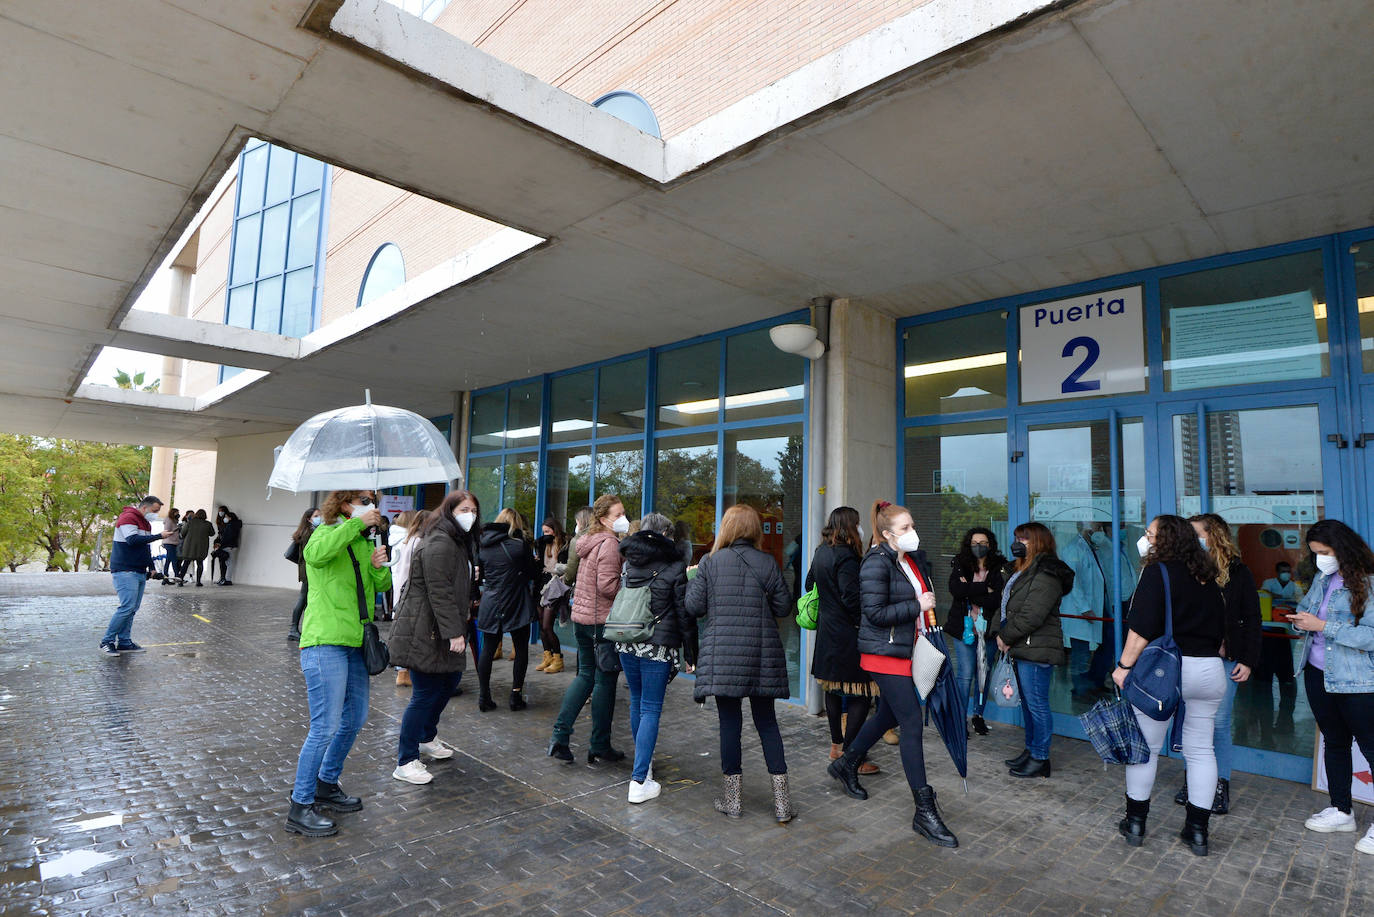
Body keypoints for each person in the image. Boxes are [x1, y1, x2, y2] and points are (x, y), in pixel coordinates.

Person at [828, 501, 958, 847]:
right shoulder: (875, 562)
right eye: (904, 528)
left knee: (887, 714)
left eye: (912, 526)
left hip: (906, 650)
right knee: (912, 722)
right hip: (884, 654)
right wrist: (918, 605)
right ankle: (924, 809)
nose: (912, 532)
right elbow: (874, 612)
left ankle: (847, 762)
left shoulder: (908, 560)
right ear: (886, 534)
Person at [1112, 514, 1228, 856]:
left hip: (1168, 670)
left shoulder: (1157, 572)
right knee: (1201, 750)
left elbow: (1140, 629)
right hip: (1209, 671)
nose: (1145, 539)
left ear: (1167, 540)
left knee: (1145, 749)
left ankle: (1135, 823)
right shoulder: (1207, 576)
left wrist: (1123, 667)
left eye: (1150, 534)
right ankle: (1197, 832)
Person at [287, 490, 391, 838]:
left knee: (356, 717)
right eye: (364, 500)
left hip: (356, 641)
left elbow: (378, 588)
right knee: (325, 726)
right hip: (324, 641)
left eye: (372, 500)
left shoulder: (362, 543)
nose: (371, 505)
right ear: (345, 504)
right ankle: (300, 806)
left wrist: (378, 566)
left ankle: (326, 784)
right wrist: (355, 525)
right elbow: (314, 557)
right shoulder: (324, 532)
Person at [687, 504, 795, 823]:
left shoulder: (710, 562)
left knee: (729, 723)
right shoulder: (767, 562)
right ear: (754, 530)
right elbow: (784, 606)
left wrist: (696, 579)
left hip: (723, 654)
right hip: (761, 653)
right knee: (767, 723)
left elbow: (693, 606)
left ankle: (733, 802)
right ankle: (782, 805)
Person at [1288, 519, 1374, 855]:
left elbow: (1370, 636)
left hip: (1357, 680)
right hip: (1317, 672)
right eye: (1316, 554)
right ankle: (1342, 810)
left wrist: (1324, 625)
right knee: (1334, 742)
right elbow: (1310, 612)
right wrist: (1301, 620)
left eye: (1324, 552)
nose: (1320, 559)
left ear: (1343, 548)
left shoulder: (1368, 582)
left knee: (1370, 747)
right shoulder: (1324, 579)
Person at [388, 492, 478, 786]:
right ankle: (406, 759)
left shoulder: (454, 541)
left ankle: (427, 736)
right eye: (464, 509)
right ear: (449, 511)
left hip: (440, 625)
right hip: (426, 629)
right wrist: (454, 632)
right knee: (425, 693)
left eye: (474, 509)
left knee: (449, 681)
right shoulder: (440, 542)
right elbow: (438, 591)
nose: (471, 514)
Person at [1173, 514, 1260, 814]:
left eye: (1196, 534)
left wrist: (1248, 659)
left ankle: (1219, 784)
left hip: (1226, 659)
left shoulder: (1238, 571)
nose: (1192, 540)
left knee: (1219, 724)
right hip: (1190, 656)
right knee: (1191, 724)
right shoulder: (1186, 570)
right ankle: (1195, 780)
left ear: (1214, 536)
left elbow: (1252, 618)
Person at [617, 513, 694, 803]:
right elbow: (684, 614)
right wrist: (691, 652)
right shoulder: (674, 567)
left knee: (638, 703)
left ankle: (644, 765)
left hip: (626, 642)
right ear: (665, 536)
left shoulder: (629, 562)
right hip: (656, 646)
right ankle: (638, 781)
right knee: (650, 708)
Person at [549, 495, 627, 763]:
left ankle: (561, 737)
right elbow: (607, 587)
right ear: (604, 519)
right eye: (618, 515)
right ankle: (599, 744)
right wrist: (629, 589)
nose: (622, 519)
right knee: (604, 681)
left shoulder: (587, 542)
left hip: (583, 619)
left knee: (584, 677)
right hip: (600, 622)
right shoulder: (609, 544)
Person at [807, 506, 879, 773]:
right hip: (848, 634)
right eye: (858, 523)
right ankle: (851, 756)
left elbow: (808, 583)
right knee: (862, 692)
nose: (861, 528)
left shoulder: (821, 551)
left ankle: (836, 745)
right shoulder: (847, 556)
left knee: (833, 690)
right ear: (850, 526)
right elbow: (851, 599)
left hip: (827, 631)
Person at [998, 522, 1072, 778]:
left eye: (1024, 539)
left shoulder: (1047, 574)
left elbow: (1032, 615)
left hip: (1036, 648)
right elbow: (1009, 606)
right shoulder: (1023, 570)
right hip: (1023, 646)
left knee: (1037, 705)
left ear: (1039, 542)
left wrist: (1005, 636)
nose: (1017, 543)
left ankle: (1040, 758)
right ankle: (1032, 750)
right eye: (1016, 537)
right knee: (1029, 705)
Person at [475, 508, 539, 712]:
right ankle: (515, 695)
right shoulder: (519, 546)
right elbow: (532, 573)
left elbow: (480, 574)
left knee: (487, 649)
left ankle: (484, 696)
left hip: (491, 600)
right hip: (517, 600)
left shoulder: (482, 545)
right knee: (521, 649)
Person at [946, 527, 1007, 737]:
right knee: (965, 674)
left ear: (990, 545)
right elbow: (956, 590)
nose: (978, 547)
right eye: (974, 543)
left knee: (984, 673)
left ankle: (978, 716)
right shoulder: (960, 564)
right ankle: (958, 719)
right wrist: (983, 589)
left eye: (982, 543)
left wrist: (970, 591)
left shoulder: (1000, 567)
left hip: (988, 630)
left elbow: (998, 598)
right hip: (964, 629)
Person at [100, 495, 165, 655]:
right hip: (125, 569)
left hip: (138, 570)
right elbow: (132, 540)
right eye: (155, 511)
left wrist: (151, 567)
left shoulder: (145, 523)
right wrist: (160, 536)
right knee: (127, 607)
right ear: (145, 507)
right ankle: (106, 642)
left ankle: (124, 642)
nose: (155, 514)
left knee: (131, 609)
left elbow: (145, 547)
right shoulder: (128, 518)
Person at [1059, 524, 1107, 703]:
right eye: (1097, 527)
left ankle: (1087, 687)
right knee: (1080, 654)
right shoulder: (1073, 549)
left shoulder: (1090, 548)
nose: (1100, 530)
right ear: (1085, 528)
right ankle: (1079, 691)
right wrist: (1085, 608)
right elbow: (1074, 582)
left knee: (1086, 652)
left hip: (1091, 608)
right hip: (1079, 611)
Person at [1255, 560, 1303, 739]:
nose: (1286, 574)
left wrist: (1278, 598)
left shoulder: (1294, 586)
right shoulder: (1268, 583)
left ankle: (1285, 722)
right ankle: (1264, 729)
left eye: (1288, 571)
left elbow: (1299, 601)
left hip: (1287, 636)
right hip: (1268, 634)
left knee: (1287, 680)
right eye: (1283, 571)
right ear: (1277, 572)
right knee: (1264, 682)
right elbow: (1265, 597)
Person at [390, 510, 431, 688]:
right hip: (412, 593)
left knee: (403, 632)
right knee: (411, 634)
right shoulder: (418, 542)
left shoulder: (403, 541)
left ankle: (402, 671)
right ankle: (405, 672)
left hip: (400, 591)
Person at [534, 516, 568, 674]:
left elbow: (568, 566)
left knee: (547, 624)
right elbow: (540, 562)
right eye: (544, 532)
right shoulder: (543, 544)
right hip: (542, 582)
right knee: (541, 624)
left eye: (548, 531)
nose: (546, 534)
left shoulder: (565, 544)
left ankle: (558, 657)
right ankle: (547, 655)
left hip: (555, 584)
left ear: (555, 530)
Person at [287, 507, 320, 642]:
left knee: (305, 598)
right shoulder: (309, 533)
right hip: (308, 570)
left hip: (306, 569)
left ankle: (297, 628)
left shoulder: (307, 531)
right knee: (303, 599)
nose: (320, 518)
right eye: (317, 516)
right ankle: (293, 629)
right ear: (309, 519)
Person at [177, 509, 213, 587]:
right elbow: (212, 533)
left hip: (189, 547)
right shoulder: (208, 524)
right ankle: (198, 581)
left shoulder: (190, 522)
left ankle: (180, 581)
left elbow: (182, 533)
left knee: (185, 564)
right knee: (200, 564)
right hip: (201, 548)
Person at [216, 511, 242, 585]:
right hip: (232, 546)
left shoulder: (230, 525)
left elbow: (227, 537)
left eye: (226, 517)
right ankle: (226, 579)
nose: (225, 518)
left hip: (228, 546)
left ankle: (227, 580)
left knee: (228, 563)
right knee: (229, 563)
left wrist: (221, 544)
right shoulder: (235, 525)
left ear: (230, 518)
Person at [160, 508, 182, 586]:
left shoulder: (174, 520)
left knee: (168, 560)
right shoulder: (169, 520)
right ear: (173, 513)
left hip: (172, 542)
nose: (178, 514)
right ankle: (177, 576)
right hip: (169, 542)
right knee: (174, 560)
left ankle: (165, 578)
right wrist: (177, 529)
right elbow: (167, 531)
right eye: (177, 513)